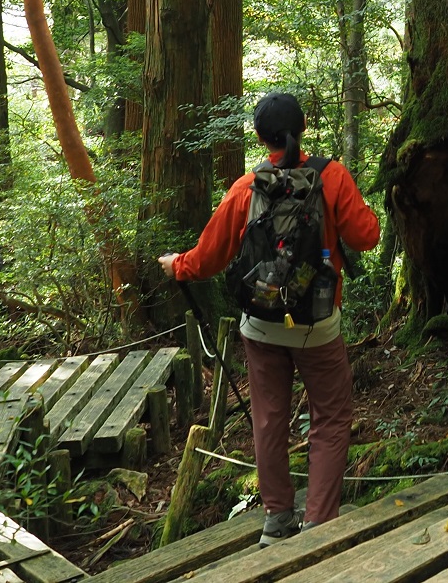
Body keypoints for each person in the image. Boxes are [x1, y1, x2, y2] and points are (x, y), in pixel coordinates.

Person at [159, 92, 379, 541]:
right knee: (332, 418)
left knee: (268, 418)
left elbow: (209, 255)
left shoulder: (247, 187)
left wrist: (176, 264)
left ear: (261, 137)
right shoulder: (331, 177)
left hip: (260, 324)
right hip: (316, 324)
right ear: (304, 126)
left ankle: (278, 518)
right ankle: (319, 521)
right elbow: (369, 236)